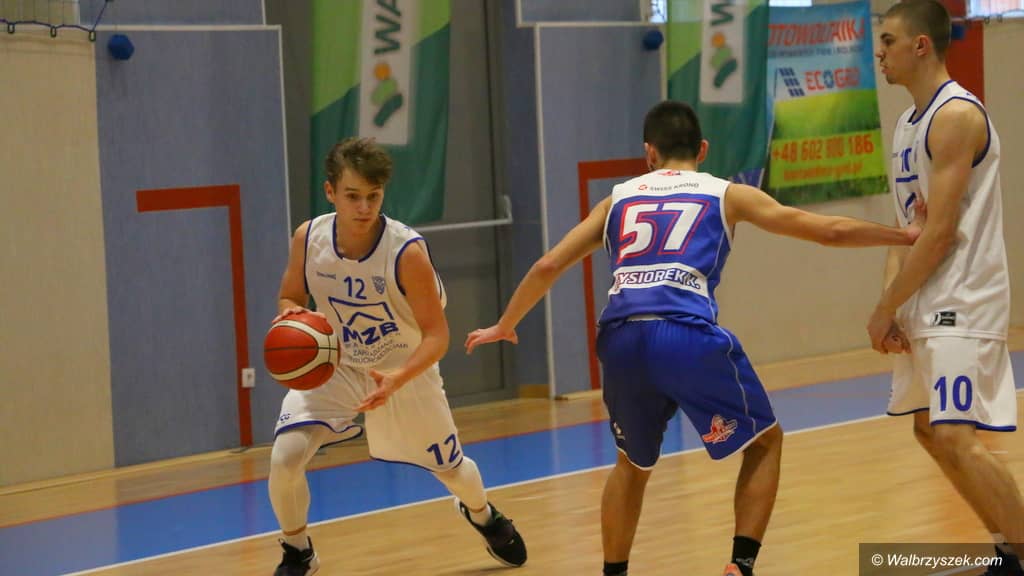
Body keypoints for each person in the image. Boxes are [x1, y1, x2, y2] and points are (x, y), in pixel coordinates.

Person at [466, 100, 923, 576]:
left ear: (649, 153)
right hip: (684, 333)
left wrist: (505, 323)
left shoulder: (617, 199)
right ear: (702, 149)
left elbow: (548, 264)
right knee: (765, 443)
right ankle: (740, 565)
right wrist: (905, 236)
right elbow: (827, 231)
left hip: (620, 337)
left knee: (631, 464)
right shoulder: (727, 194)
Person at [268, 137, 527, 575]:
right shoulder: (308, 238)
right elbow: (290, 296)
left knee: (452, 471)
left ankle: (483, 514)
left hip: (405, 366)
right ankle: (298, 551)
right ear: (330, 191)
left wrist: (397, 379)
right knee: (285, 458)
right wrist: (291, 315)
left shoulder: (406, 252)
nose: (364, 207)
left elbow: (437, 337)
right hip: (339, 363)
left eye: (373, 196)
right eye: (352, 196)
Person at [870, 1, 1023, 573]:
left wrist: (883, 307)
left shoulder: (956, 115)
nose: (879, 52)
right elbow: (904, 230)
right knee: (929, 431)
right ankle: (1007, 550)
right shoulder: (906, 124)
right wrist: (893, 306)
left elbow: (938, 235)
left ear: (921, 45)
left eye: (888, 40)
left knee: (955, 434)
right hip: (926, 301)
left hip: (963, 298)